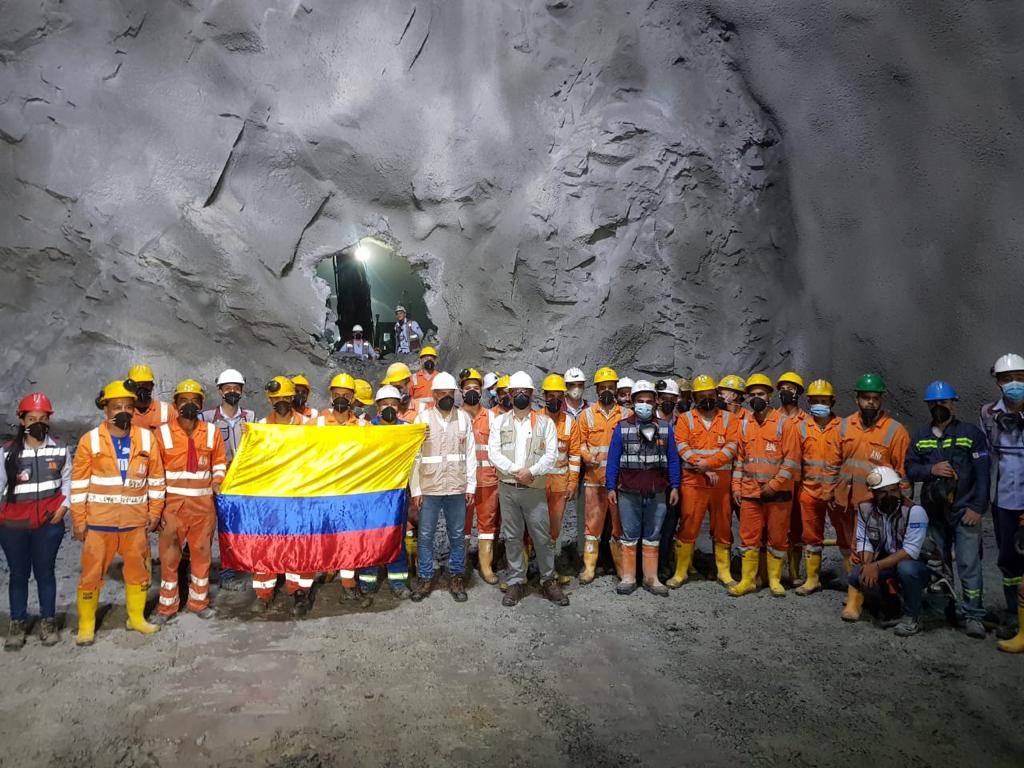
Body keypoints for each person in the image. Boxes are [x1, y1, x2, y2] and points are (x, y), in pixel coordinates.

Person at [71, 380, 165, 645]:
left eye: (127, 406)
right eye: (116, 407)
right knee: (91, 575)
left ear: (134, 409)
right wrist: (78, 520)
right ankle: (86, 625)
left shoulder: (147, 439)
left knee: (138, 572)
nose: (122, 411)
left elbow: (156, 480)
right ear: (106, 410)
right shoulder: (90, 440)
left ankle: (135, 618)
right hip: (99, 524)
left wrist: (155, 512)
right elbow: (78, 485)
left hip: (135, 522)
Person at [905, 380, 990, 639]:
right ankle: (947, 610)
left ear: (953, 403)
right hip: (934, 513)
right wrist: (930, 470)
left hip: (965, 511)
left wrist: (977, 508)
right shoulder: (920, 436)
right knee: (938, 564)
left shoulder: (971, 434)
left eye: (944, 401)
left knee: (968, 563)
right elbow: (910, 469)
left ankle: (974, 615)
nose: (938, 406)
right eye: (933, 403)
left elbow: (984, 476)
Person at [488, 371, 568, 607]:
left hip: (534, 489)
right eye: (516, 392)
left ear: (532, 395)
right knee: (512, 537)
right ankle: (515, 582)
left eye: (525, 391)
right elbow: (494, 453)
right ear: (509, 395)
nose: (521, 395)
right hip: (508, 489)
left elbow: (551, 456)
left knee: (542, 537)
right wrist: (516, 470)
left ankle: (548, 580)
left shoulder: (545, 424)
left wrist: (530, 472)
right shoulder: (500, 422)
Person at [153, 380, 227, 624]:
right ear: (175, 404)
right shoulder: (161, 434)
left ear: (201, 405)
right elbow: (154, 473)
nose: (189, 405)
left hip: (203, 508)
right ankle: (167, 606)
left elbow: (219, 464)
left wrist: (217, 482)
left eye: (195, 401)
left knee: (202, 555)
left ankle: (198, 602)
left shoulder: (212, 432)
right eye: (184, 400)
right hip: (172, 508)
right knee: (170, 557)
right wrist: (156, 509)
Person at [0, 393, 70, 649]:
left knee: (45, 574)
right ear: (21, 420)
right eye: (32, 418)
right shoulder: (7, 453)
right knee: (18, 575)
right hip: (13, 527)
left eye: (43, 418)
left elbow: (69, 481)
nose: (38, 423)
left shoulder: (60, 450)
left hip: (48, 525)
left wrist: (64, 507)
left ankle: (48, 621)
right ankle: (17, 622)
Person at [605, 380, 680, 596]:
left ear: (656, 402)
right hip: (628, 491)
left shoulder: (665, 429)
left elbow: (673, 459)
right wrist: (611, 486)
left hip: (657, 491)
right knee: (629, 535)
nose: (644, 405)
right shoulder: (622, 427)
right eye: (640, 401)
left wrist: (675, 486)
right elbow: (613, 460)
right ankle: (628, 577)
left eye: (648, 401)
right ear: (633, 402)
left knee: (653, 535)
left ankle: (651, 578)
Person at [729, 374, 801, 597]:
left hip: (778, 495)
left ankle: (774, 580)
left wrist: (775, 484)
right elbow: (740, 460)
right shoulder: (744, 425)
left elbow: (792, 460)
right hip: (750, 492)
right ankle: (748, 580)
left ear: (770, 396)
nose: (756, 398)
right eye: (752, 395)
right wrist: (736, 487)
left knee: (777, 539)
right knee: (749, 538)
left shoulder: (785, 424)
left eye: (760, 394)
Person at [408, 372, 477, 603]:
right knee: (425, 535)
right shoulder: (422, 420)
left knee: (457, 535)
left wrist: (471, 486)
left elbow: (470, 454)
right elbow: (414, 457)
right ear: (434, 394)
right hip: (429, 488)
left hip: (457, 488)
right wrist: (416, 490)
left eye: (450, 393)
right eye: (442, 393)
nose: (447, 396)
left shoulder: (464, 418)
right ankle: (425, 577)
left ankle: (456, 576)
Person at [668, 375, 740, 588]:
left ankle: (724, 573)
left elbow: (731, 447)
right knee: (689, 524)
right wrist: (703, 465)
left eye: (710, 395)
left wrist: (709, 464)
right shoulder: (685, 419)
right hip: (693, 481)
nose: (706, 399)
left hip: (721, 484)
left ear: (716, 395)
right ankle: (681, 572)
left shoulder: (729, 419)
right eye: (701, 396)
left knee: (723, 526)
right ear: (695, 397)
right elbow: (681, 446)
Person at [834, 373, 910, 575]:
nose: (870, 402)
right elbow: (833, 463)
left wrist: (902, 505)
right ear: (857, 399)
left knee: (863, 547)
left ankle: (857, 595)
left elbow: (902, 471)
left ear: (881, 400)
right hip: (845, 500)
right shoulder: (843, 426)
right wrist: (831, 492)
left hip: (872, 503)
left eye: (875, 398)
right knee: (847, 542)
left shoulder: (896, 431)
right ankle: (856, 582)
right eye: (866, 397)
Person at [251, 376, 314, 615]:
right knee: (267, 543)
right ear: (269, 400)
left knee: (301, 544)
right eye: (276, 398)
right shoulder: (260, 427)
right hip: (271, 496)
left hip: (300, 495)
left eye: (285, 397)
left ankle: (300, 591)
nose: (281, 402)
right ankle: (264, 592)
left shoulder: (308, 426)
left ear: (293, 397)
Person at [843, 466, 931, 637]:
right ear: (874, 493)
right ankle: (889, 604)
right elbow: (864, 540)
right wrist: (867, 566)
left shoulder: (915, 511)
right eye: (883, 492)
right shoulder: (865, 509)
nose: (889, 495)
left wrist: (875, 566)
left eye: (893, 490)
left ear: (899, 489)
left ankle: (912, 616)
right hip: (888, 561)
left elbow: (910, 551)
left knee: (906, 569)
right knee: (856, 574)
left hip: (920, 565)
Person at [979, 353, 1024, 644]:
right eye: (1007, 379)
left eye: (1020, 378)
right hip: (1003, 501)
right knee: (1009, 561)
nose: (1014, 384)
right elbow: (986, 456)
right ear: (997, 382)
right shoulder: (987, 413)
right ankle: (1013, 614)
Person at [357, 385, 413, 600]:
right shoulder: (367, 430)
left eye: (393, 404)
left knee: (396, 538)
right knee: (370, 536)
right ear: (378, 408)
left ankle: (398, 582)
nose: (389, 407)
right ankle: (367, 581)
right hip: (372, 493)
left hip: (398, 493)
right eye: (384, 404)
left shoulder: (408, 430)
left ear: (399, 407)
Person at [201, 368, 254, 592]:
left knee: (236, 527)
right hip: (215, 478)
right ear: (220, 391)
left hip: (242, 479)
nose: (232, 391)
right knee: (209, 528)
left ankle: (234, 569)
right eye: (228, 388)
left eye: (236, 387)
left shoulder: (250, 417)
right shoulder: (205, 418)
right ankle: (199, 572)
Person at [794, 379, 843, 596]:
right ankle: (812, 579)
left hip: (836, 494)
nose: (820, 404)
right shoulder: (801, 428)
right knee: (810, 537)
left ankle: (853, 583)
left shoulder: (844, 427)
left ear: (832, 401)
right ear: (809, 401)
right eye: (815, 401)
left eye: (824, 400)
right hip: (809, 492)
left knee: (846, 537)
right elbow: (796, 461)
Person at [578, 366, 625, 584]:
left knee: (619, 526)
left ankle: (622, 569)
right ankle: (589, 568)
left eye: (610, 387)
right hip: (594, 480)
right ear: (596, 390)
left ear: (616, 389)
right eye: (603, 387)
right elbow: (580, 444)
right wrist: (587, 456)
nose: (607, 390)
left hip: (619, 483)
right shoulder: (586, 415)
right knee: (592, 526)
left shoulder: (626, 415)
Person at [460, 368, 501, 585]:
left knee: (487, 525)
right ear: (461, 390)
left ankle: (485, 566)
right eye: (468, 388)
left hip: (487, 481)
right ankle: (463, 565)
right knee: (462, 525)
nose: (472, 392)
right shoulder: (456, 417)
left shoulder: (493, 418)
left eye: (476, 388)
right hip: (463, 483)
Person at [541, 373, 581, 585]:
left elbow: (574, 456)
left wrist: (572, 483)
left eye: (559, 395)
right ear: (544, 396)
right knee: (533, 527)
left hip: (559, 486)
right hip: (537, 486)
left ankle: (549, 572)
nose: (555, 399)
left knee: (554, 529)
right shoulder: (535, 419)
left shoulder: (570, 424)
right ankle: (531, 570)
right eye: (551, 395)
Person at [776, 372, 809, 585]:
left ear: (799, 392)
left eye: (792, 388)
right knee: (777, 526)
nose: (787, 392)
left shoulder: (807, 421)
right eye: (784, 388)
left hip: (800, 481)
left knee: (797, 526)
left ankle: (795, 572)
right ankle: (774, 573)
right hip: (777, 480)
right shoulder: (773, 417)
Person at [125, 363, 175, 430]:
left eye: (146, 385)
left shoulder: (167, 410)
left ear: (152, 386)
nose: (141, 389)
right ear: (130, 388)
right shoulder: (123, 411)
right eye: (137, 385)